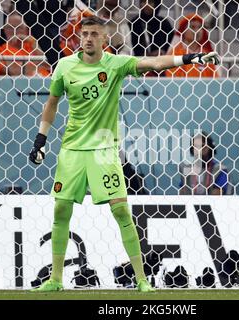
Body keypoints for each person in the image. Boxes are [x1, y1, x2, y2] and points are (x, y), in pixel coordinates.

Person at [28, 15, 220, 292]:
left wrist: (191, 58)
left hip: (105, 149)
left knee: (120, 210)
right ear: (79, 37)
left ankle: (142, 279)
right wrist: (40, 139)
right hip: (72, 148)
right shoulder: (65, 66)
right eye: (85, 34)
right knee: (61, 209)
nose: (89, 38)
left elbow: (154, 63)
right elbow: (52, 104)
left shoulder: (115, 64)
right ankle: (56, 279)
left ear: (105, 39)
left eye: (95, 34)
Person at [165, 14, 219, 78]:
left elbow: (215, 78)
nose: (197, 31)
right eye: (192, 27)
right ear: (183, 31)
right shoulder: (175, 54)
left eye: (200, 27)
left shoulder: (207, 55)